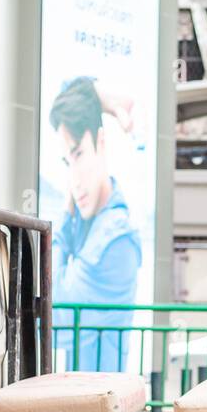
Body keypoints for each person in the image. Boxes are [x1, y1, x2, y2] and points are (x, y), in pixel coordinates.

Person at [49, 76, 141, 372]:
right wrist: (108, 101)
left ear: (100, 143)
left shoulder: (115, 239)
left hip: (99, 403)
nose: (74, 180)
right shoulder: (92, 223)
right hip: (83, 399)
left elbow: (52, 305)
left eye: (78, 154)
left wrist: (63, 216)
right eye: (67, 163)